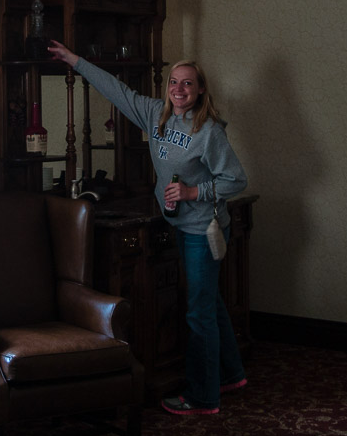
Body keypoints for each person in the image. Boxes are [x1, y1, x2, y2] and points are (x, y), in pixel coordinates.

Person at [47, 40, 248, 415]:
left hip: (204, 230)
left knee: (199, 313)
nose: (179, 89)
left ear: (200, 89)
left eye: (187, 83)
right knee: (209, 303)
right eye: (174, 82)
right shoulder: (156, 115)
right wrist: (74, 60)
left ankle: (204, 397)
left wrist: (193, 191)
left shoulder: (208, 132)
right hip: (181, 224)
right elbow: (116, 90)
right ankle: (231, 374)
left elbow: (236, 180)